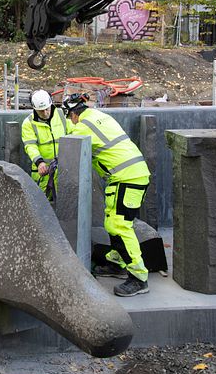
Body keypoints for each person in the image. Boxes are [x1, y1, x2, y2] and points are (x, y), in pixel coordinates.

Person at [62, 92, 151, 297]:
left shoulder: (82, 126)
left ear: (73, 115)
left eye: (68, 117)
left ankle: (139, 278)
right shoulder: (100, 116)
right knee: (113, 219)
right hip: (131, 175)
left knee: (118, 225)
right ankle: (118, 263)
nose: (70, 121)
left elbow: (68, 147)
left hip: (126, 178)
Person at [21, 89, 69, 200]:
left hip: (62, 171)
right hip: (43, 173)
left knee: (64, 206)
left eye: (46, 109)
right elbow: (30, 146)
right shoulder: (28, 123)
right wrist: (39, 162)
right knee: (41, 206)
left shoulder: (62, 116)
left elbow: (74, 135)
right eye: (41, 111)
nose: (45, 113)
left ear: (51, 104)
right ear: (34, 109)